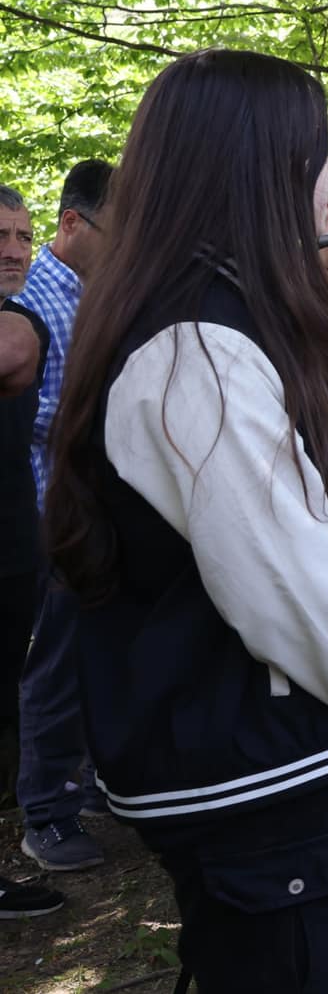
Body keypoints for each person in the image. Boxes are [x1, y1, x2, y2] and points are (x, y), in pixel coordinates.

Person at [41, 49, 328, 994]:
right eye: (318, 156)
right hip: (256, 777)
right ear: (257, 169)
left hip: (269, 764)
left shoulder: (218, 322)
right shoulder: (196, 346)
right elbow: (280, 579)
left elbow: (317, 532)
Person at [14, 157, 115, 875]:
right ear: (73, 223)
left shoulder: (92, 293)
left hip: (93, 511)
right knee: (54, 667)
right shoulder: (30, 297)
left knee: (98, 655)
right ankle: (45, 815)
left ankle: (93, 786)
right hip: (49, 514)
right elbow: (32, 409)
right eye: (118, 230)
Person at [0, 186, 64, 921]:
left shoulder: (22, 318)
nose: (15, 251)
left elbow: (15, 354)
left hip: (16, 545)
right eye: (0, 236)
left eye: (22, 235)